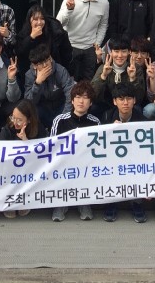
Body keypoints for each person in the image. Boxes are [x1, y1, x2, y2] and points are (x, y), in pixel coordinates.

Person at [50, 81, 100, 222]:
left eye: (85, 98)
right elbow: (51, 147)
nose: (81, 101)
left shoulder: (95, 122)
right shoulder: (60, 120)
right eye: (78, 97)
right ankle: (61, 203)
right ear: (72, 100)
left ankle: (84, 202)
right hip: (63, 163)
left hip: (86, 164)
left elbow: (99, 150)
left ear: (90, 103)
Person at [102, 82, 146, 224]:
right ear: (115, 101)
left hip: (134, 159)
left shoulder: (142, 119)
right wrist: (110, 131)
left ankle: (136, 202)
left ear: (134, 100)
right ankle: (111, 202)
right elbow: (100, 144)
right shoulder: (107, 116)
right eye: (121, 99)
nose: (125, 103)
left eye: (129, 99)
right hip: (113, 159)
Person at [56, 0, 109, 81]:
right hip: (70, 46)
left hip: (90, 49)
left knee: (88, 82)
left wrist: (97, 43)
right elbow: (58, 23)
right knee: (69, 81)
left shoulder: (103, 1)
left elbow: (103, 25)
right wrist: (69, 9)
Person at [0, 99, 44, 219]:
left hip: (29, 168)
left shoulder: (38, 129)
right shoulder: (9, 127)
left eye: (19, 120)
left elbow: (42, 153)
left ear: (29, 120)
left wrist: (25, 141)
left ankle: (24, 199)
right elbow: (0, 148)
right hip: (10, 167)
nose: (15, 122)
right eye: (13, 117)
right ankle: (10, 201)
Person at [23, 43, 74, 130]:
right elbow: (29, 102)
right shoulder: (29, 75)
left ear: (50, 58)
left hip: (60, 106)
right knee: (33, 111)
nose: (45, 65)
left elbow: (70, 93)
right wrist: (37, 83)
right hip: (43, 109)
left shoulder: (60, 70)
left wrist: (63, 117)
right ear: (34, 66)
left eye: (47, 60)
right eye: (41, 63)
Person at [16, 4, 73, 79]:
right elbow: (20, 52)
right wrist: (31, 37)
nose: (39, 22)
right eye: (35, 19)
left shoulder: (54, 32)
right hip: (32, 74)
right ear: (29, 20)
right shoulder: (24, 33)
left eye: (42, 19)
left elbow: (66, 53)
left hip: (53, 72)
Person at [91, 36, 145, 110]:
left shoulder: (136, 68)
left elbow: (139, 98)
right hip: (107, 105)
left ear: (129, 52)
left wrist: (133, 79)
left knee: (137, 108)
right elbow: (93, 95)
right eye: (116, 51)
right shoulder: (103, 68)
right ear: (110, 52)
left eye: (123, 51)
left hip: (128, 106)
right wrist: (103, 76)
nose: (120, 55)